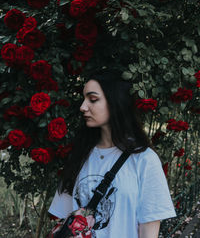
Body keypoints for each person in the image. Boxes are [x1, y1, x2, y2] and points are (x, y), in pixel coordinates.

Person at [48, 70, 176, 238]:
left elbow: (149, 228)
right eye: (84, 99)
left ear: (115, 102)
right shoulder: (79, 155)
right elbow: (64, 218)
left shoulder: (144, 159)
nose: (83, 107)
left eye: (93, 99)